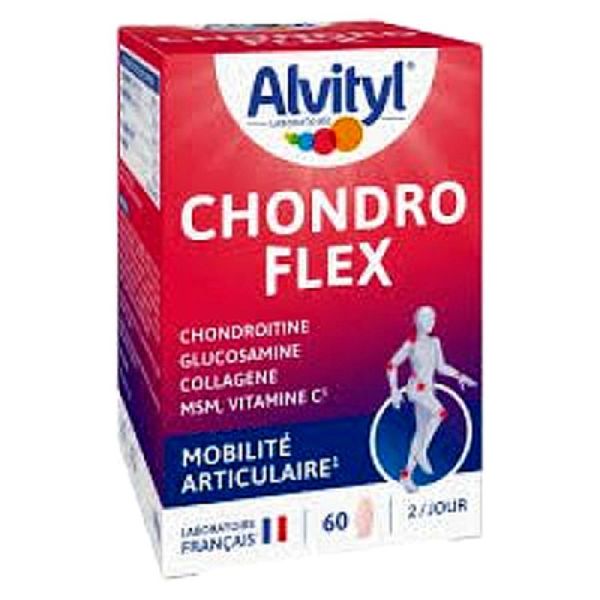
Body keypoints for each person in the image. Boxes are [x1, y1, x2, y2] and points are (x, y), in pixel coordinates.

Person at [386, 306, 477, 493]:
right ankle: (422, 451)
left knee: (420, 432)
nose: (431, 322)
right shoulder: (411, 343)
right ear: (416, 321)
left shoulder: (435, 342)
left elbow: (441, 367)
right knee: (440, 413)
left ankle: (406, 475)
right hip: (417, 389)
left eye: (433, 318)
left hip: (429, 390)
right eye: (426, 318)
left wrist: (460, 376)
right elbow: (392, 364)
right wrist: (394, 390)